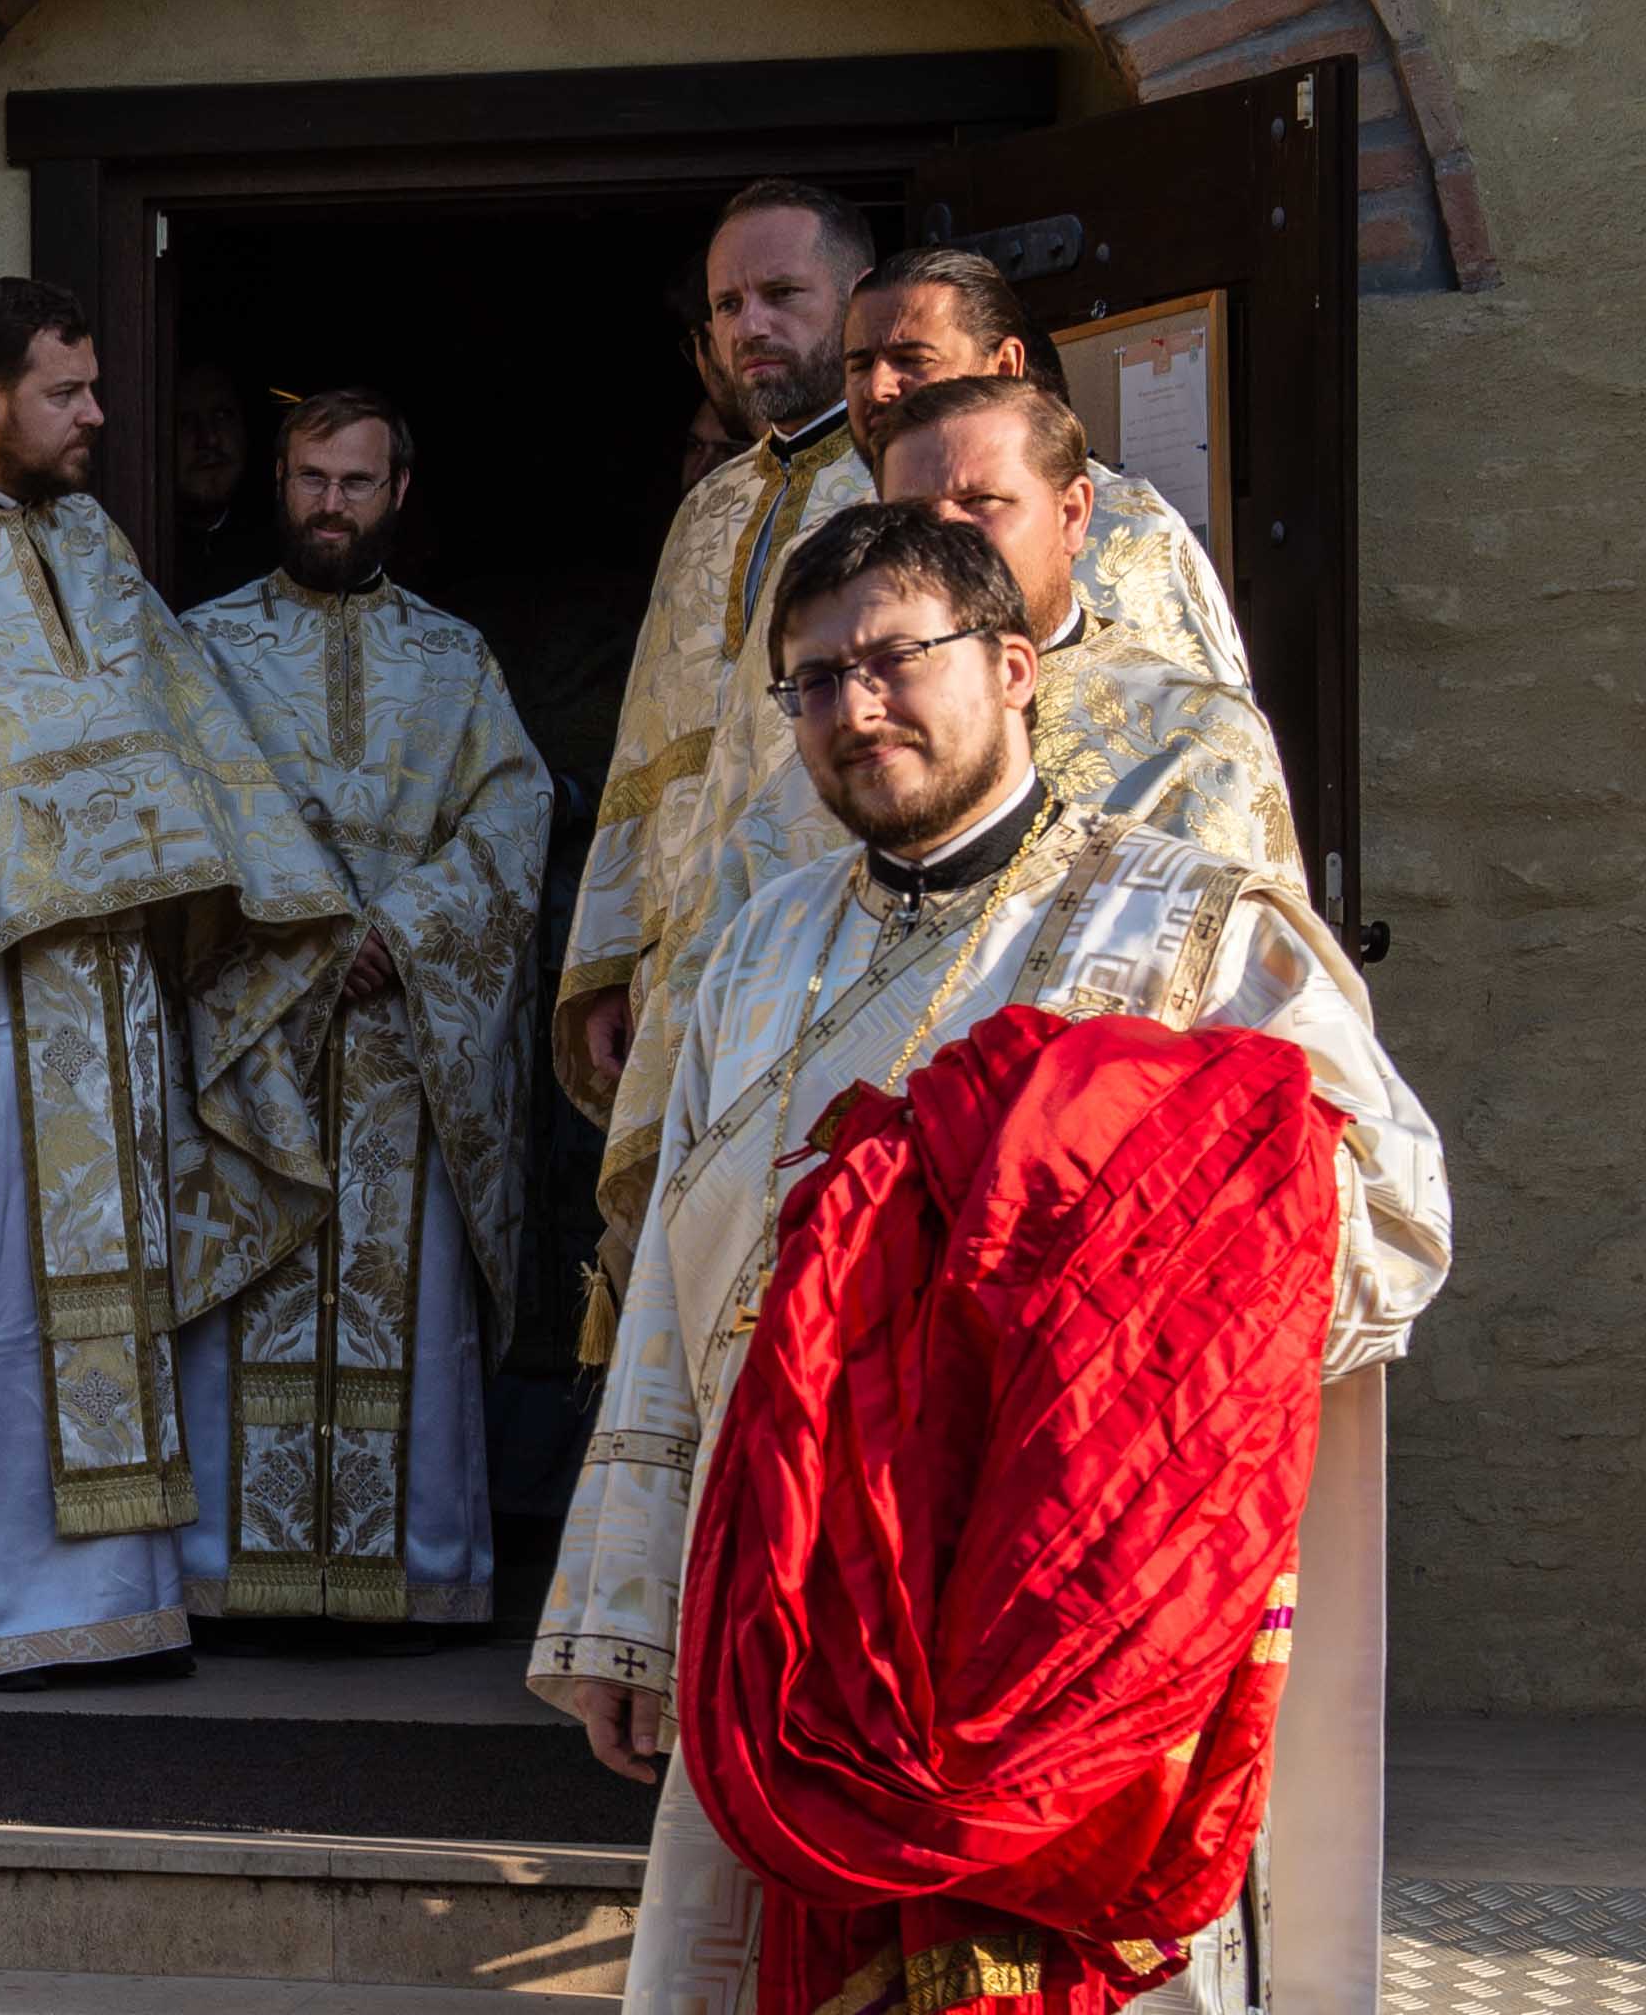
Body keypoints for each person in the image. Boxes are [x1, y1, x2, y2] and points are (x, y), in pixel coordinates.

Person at [507, 503, 1447, 2015]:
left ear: (1018, 660)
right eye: (814, 673)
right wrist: (621, 1605)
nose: (858, 706)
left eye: (899, 654)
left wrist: (1044, 1238)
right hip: (794, 1645)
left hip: (1064, 1671)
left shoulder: (1192, 925)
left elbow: (1382, 1215)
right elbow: (680, 1290)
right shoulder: (755, 945)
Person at [0, 275, 356, 1689]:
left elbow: (178, 729)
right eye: (65, 391)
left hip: (101, 998)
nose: (97, 414)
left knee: (107, 1286)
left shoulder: (91, 543)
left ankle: (117, 1599)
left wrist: (265, 887)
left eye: (92, 387)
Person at [179, 391, 552, 1632]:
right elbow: (180, 816)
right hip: (259, 1042)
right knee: (252, 1281)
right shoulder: (202, 649)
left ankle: (409, 1573)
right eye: (309, 479)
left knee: (411, 1297)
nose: (328, 505)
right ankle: (235, 1570)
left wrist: (402, 932)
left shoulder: (454, 660)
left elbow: (510, 816)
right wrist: (297, 937)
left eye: (353, 482)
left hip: (407, 1041)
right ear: (279, 483)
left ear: (396, 491)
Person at [558, 179, 875, 1339]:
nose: (751, 326)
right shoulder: (706, 512)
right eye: (728, 304)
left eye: (782, 294)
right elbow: (646, 755)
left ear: (855, 296)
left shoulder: (897, 488)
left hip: (833, 951)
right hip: (680, 972)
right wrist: (609, 962)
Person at [674, 373, 1301, 945]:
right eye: (913, 519)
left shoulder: (1191, 738)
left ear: (1072, 514)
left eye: (982, 502)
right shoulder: (834, 748)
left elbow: (1228, 985)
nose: (947, 542)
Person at [840, 245, 1247, 683]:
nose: (878, 387)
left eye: (914, 360)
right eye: (860, 365)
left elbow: (1184, 712)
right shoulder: (829, 537)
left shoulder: (1127, 533)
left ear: (1005, 367)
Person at [163, 358, 274, 607]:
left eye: (222, 415)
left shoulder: (284, 549)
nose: (209, 439)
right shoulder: (136, 551)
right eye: (185, 421)